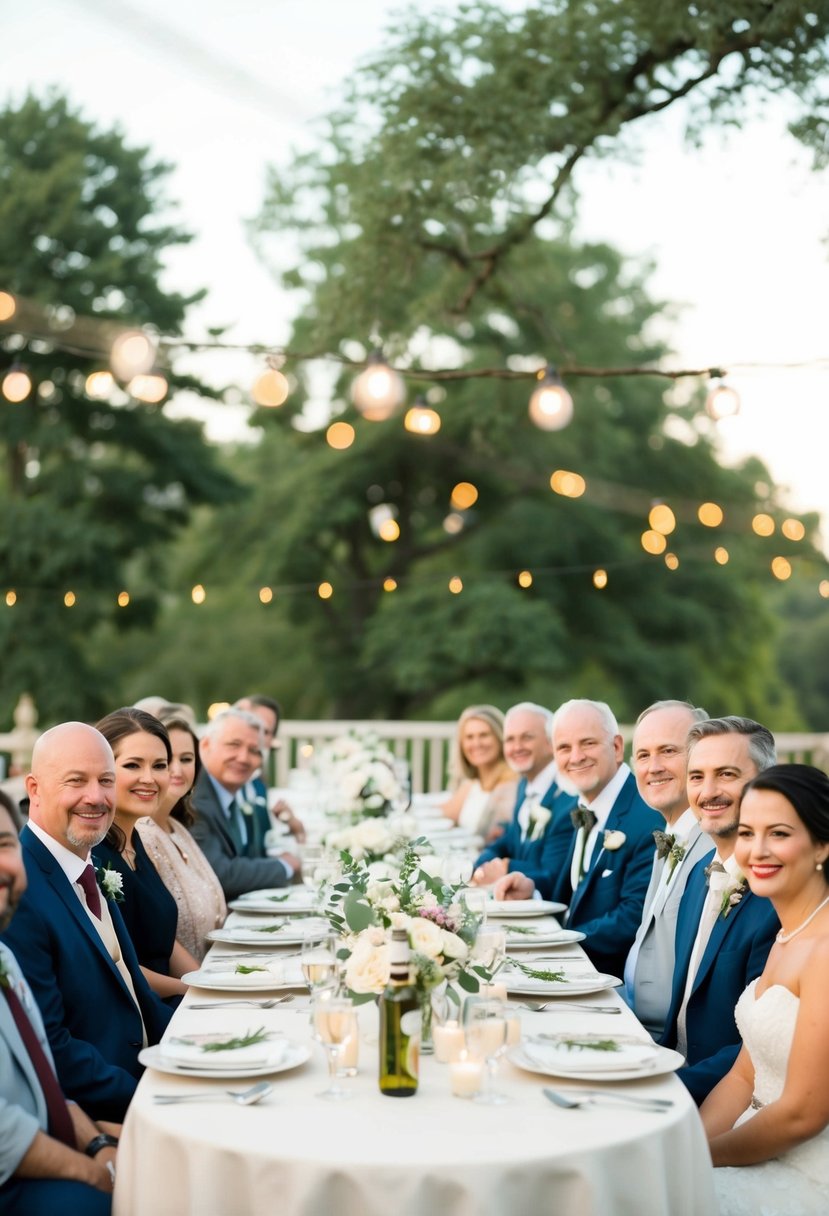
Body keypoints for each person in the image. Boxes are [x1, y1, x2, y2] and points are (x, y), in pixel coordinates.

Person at [1, 723, 172, 1121]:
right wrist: (152, 1101)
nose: (95, 797)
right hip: (110, 1109)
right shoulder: (18, 890)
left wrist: (205, 1045)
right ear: (34, 789)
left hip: (154, 1074)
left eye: (105, 781)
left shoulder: (85, 863)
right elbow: (51, 1045)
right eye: (76, 781)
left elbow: (138, 996)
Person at [703, 764, 829, 1213]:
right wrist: (690, 1143)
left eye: (777, 833)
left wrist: (704, 1158)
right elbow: (744, 1076)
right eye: (746, 833)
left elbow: (803, 1114)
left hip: (806, 1170)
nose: (756, 850)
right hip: (751, 1138)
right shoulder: (786, 933)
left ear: (822, 844)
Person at [0, 793, 118, 1214]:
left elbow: (43, 1082)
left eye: (4, 845)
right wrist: (93, 1173)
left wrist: (100, 1143)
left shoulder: (4, 957)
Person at [661, 717, 779, 1104]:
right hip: (668, 1068)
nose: (708, 792)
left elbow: (761, 1046)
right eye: (696, 777)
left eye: (726, 775)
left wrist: (670, 1088)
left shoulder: (779, 896)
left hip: (720, 1095)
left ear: (767, 781)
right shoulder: (698, 874)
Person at [496, 699, 660, 978]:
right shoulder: (586, 806)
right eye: (564, 747)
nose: (576, 757)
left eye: (588, 743)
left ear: (617, 747)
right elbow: (577, 891)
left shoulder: (646, 817)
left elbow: (634, 916)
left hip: (609, 979)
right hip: (571, 965)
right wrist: (532, 889)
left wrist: (559, 940)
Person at [92, 709, 200, 1002]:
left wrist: (207, 981)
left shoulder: (135, 838)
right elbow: (117, 965)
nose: (149, 778)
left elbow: (165, 940)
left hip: (176, 997)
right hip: (141, 1009)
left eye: (159, 765)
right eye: (133, 765)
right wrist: (192, 991)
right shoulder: (92, 855)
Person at [622, 700, 714, 1039]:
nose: (654, 766)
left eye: (668, 751)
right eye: (644, 755)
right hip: (628, 1012)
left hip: (667, 1043)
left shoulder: (715, 850)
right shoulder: (668, 838)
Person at [135, 713, 227, 962]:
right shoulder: (142, 834)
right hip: (186, 987)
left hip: (218, 967)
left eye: (186, 759)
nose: (177, 769)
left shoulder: (178, 828)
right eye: (165, 761)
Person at [189, 708, 302, 900]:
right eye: (234, 745)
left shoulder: (237, 792)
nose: (243, 758)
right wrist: (285, 865)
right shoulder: (194, 799)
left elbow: (252, 854)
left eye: (254, 750)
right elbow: (218, 874)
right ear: (206, 745)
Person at [471, 702, 577, 891]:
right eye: (510, 739)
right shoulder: (525, 784)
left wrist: (506, 868)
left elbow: (554, 875)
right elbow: (510, 841)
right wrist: (481, 864)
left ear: (550, 741)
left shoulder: (569, 797)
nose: (516, 747)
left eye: (527, 738)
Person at [234, 694, 306, 843]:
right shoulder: (228, 782)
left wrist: (291, 824)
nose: (257, 737)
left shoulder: (257, 780)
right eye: (253, 726)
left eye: (265, 732)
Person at [440, 705, 517, 839]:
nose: (477, 743)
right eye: (469, 737)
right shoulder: (474, 782)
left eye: (484, 735)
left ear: (500, 738)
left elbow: (494, 838)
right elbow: (444, 813)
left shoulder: (510, 784)